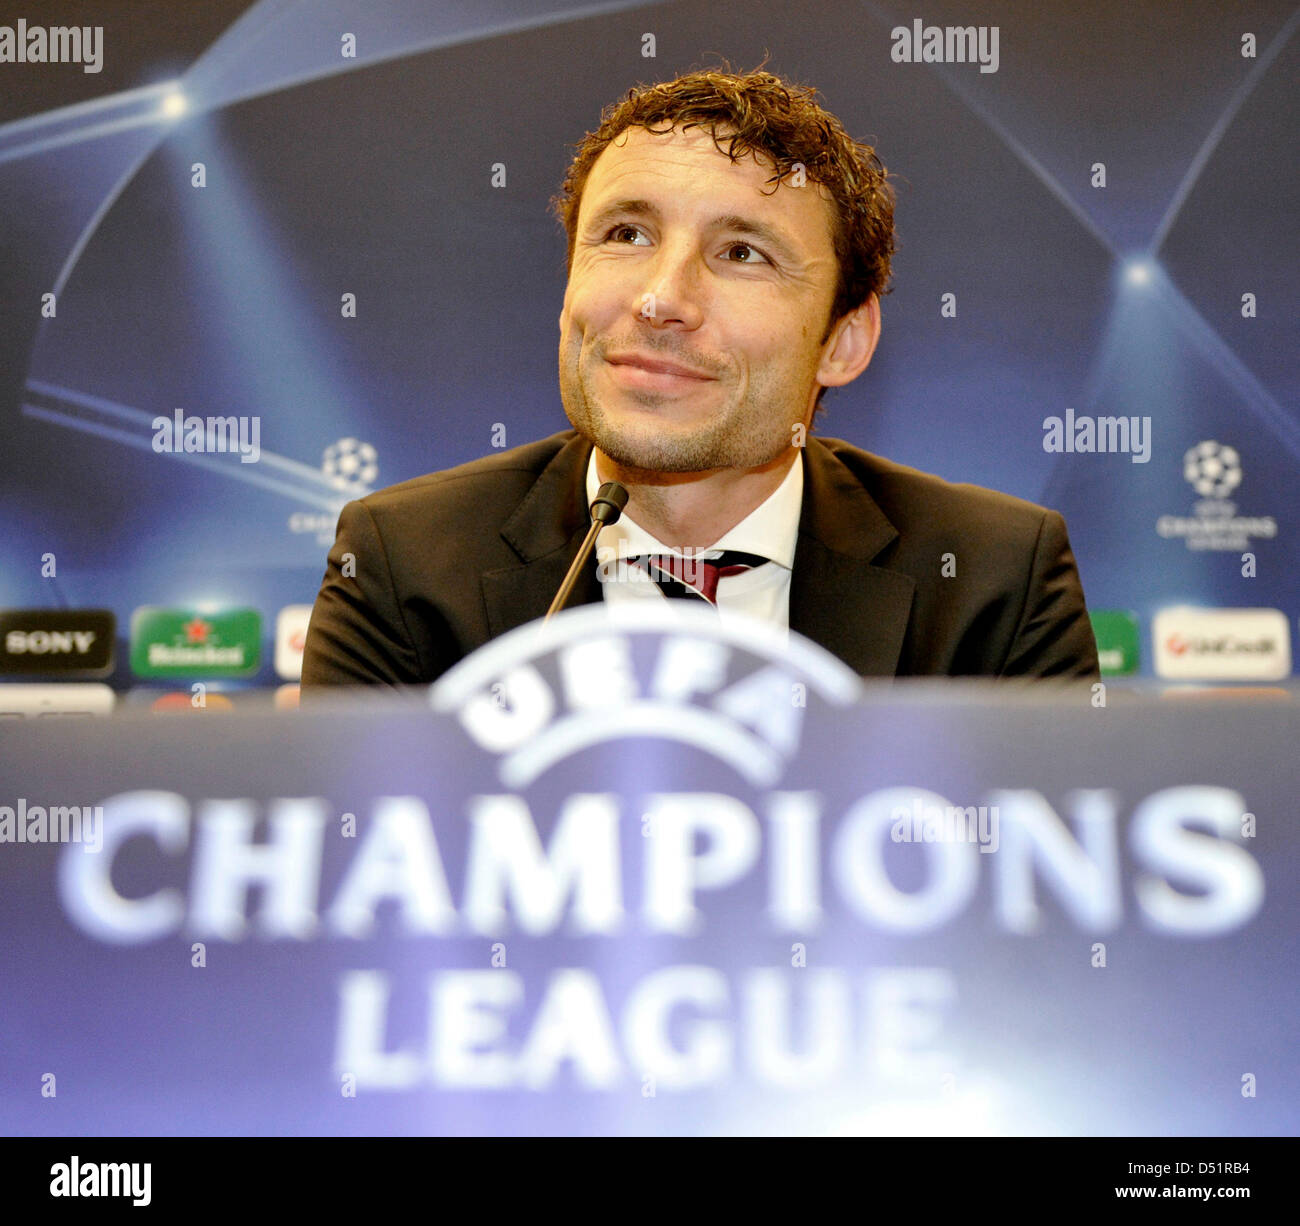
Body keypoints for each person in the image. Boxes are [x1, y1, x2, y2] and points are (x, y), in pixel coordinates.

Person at [302, 67, 1099, 687]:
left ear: (843, 342)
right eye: (625, 234)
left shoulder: (994, 582)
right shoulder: (400, 566)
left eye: (741, 253)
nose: (660, 300)